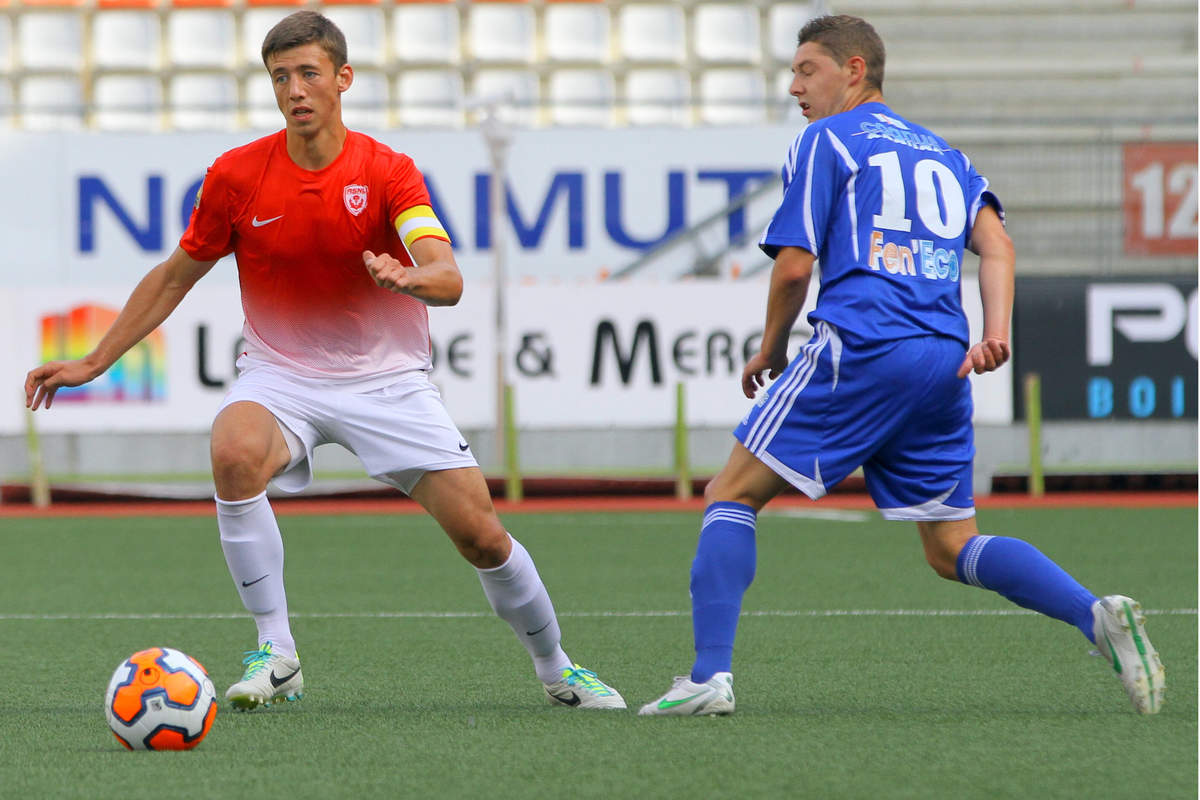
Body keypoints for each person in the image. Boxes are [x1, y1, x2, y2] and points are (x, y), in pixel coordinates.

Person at [25, 10, 624, 712]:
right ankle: (276, 652)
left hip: (388, 381)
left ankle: (557, 668)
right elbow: (173, 276)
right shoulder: (236, 176)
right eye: (281, 77)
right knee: (233, 450)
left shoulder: (388, 172)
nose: (294, 90)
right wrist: (94, 360)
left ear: (343, 78)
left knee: (481, 536)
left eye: (309, 73)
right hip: (283, 376)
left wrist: (409, 278)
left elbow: (448, 276)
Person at [639, 15, 1163, 717]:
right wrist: (995, 333)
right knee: (950, 546)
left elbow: (794, 268)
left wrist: (771, 347)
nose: (794, 86)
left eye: (807, 69)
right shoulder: (945, 153)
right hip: (943, 359)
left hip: (863, 343)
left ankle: (707, 679)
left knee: (731, 493)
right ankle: (1095, 616)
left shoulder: (825, 139)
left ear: (855, 70)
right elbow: (998, 246)